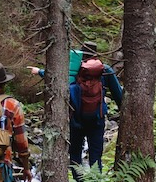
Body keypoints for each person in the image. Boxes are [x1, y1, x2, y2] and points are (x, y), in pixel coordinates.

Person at [29, 41, 123, 173]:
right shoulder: (105, 70)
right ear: (96, 54)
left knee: (75, 156)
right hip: (97, 119)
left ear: (81, 53)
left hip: (76, 120)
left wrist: (39, 71)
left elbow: (55, 76)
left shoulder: (74, 69)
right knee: (96, 157)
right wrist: (123, 113)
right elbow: (119, 95)